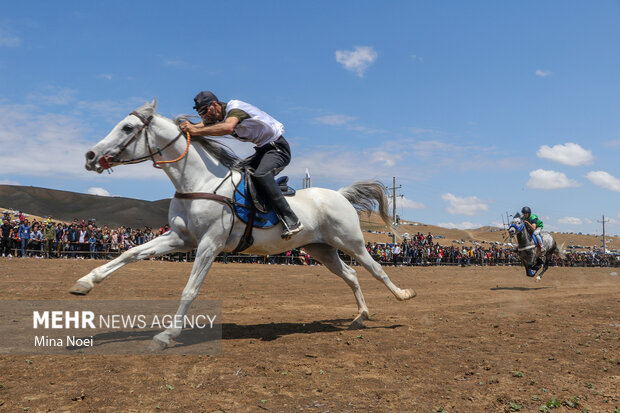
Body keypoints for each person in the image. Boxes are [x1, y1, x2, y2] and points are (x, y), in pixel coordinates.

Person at [179, 91, 304, 239]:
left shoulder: (235, 109)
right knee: (233, 174)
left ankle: (292, 220)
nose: (204, 116)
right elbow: (203, 125)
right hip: (262, 150)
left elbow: (228, 128)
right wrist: (189, 127)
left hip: (277, 148)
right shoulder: (219, 115)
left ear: (214, 105)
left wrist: (195, 130)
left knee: (261, 174)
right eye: (201, 114)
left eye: (204, 111)